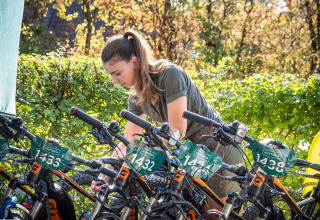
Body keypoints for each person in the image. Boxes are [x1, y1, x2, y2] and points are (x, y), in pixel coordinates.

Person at [90, 29, 244, 218]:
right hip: (189, 152)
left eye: (117, 73)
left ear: (134, 61)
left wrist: (143, 156)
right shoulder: (136, 96)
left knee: (217, 214)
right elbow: (128, 141)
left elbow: (177, 131)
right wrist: (106, 173)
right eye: (111, 76)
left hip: (217, 146)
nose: (114, 81)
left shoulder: (170, 75)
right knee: (192, 211)